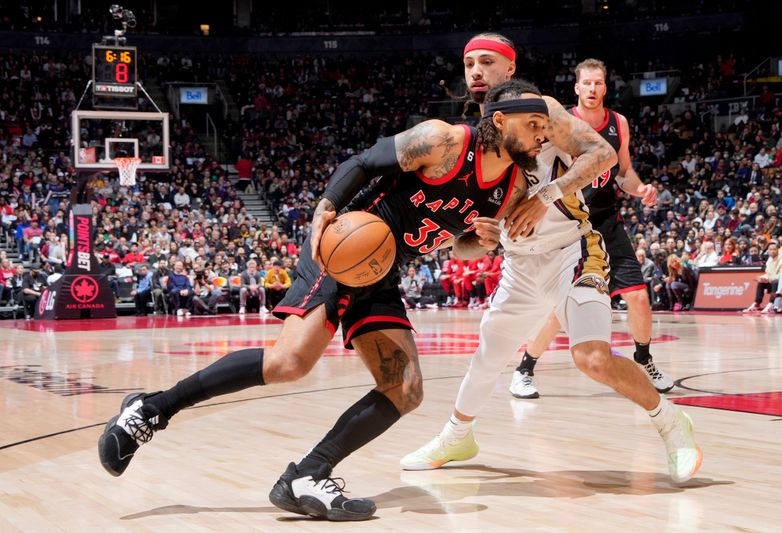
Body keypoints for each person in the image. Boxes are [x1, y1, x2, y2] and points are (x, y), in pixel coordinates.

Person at [97, 79, 564, 520]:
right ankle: (152, 409)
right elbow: (363, 163)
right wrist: (325, 210)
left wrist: (479, 243)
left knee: (405, 390)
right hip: (345, 246)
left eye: (545, 127)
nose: (544, 135)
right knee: (289, 362)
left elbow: (455, 243)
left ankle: (306, 476)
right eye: (535, 124)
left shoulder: (513, 189)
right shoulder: (442, 140)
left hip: (382, 270)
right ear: (501, 121)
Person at [401, 46, 701, 485]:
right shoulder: (464, 140)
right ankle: (456, 436)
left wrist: (546, 196)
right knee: (487, 357)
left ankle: (672, 423)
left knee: (592, 358)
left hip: (572, 251)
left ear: (510, 68)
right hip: (519, 265)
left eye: (487, 62)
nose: (477, 72)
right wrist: (474, 241)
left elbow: (603, 155)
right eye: (468, 64)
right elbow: (462, 247)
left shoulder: (545, 113)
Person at [508, 58, 674, 399]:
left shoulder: (619, 123)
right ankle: (524, 368)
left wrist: (640, 188)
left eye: (599, 83)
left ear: (605, 86)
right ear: (577, 88)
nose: (593, 88)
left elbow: (624, 173)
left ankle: (643, 360)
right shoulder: (561, 123)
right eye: (587, 83)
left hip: (606, 222)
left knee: (639, 297)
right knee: (561, 309)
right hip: (571, 225)